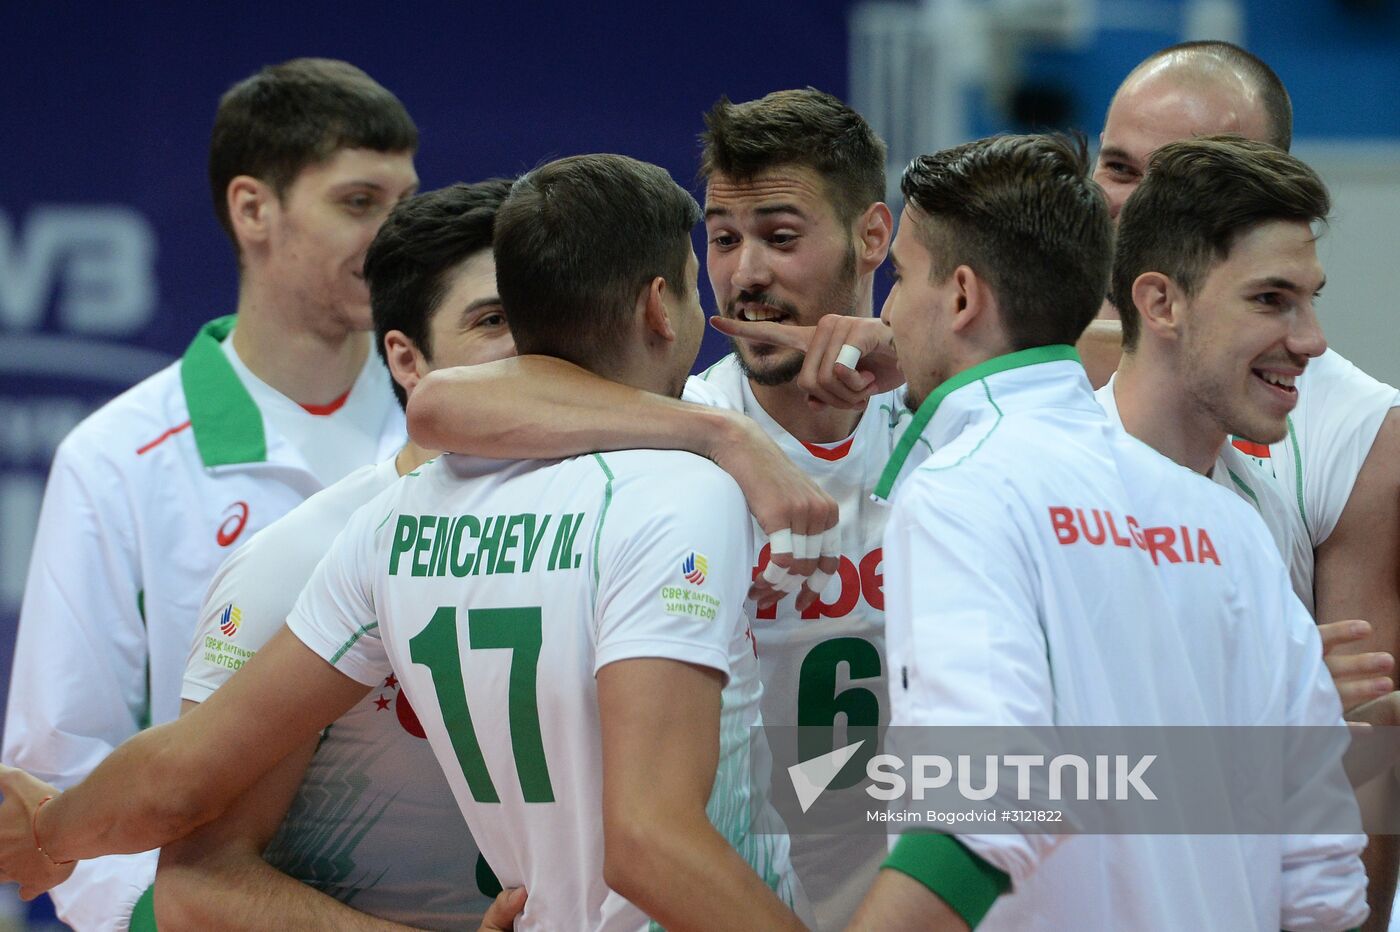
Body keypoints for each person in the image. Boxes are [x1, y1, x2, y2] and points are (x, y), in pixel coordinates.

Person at [0, 154, 805, 932]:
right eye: (489, 322)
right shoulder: (681, 483)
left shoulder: (397, 525)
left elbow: (182, 773)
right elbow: (649, 844)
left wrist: (50, 834)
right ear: (661, 308)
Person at [846, 131, 1366, 932]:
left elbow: (984, 804)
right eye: (1273, 298)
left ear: (959, 296)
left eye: (900, 279)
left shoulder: (961, 489)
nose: (885, 310)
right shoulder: (1229, 523)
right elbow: (1323, 884)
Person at [405, 88, 900, 927]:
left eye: (782, 238)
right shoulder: (673, 435)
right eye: (723, 239)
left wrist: (920, 350)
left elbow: (1139, 341)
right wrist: (720, 435)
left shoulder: (950, 414)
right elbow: (443, 406)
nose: (746, 274)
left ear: (873, 236)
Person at [1, 58, 419, 929]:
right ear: (252, 209)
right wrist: (160, 916)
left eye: (405, 202)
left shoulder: (455, 430)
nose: (397, 234)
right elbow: (61, 764)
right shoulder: (117, 457)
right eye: (358, 202)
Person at [157, 181, 517, 928]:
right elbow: (193, 889)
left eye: (549, 315)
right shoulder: (300, 560)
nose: (533, 348)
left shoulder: (640, 515)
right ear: (408, 360)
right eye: (493, 320)